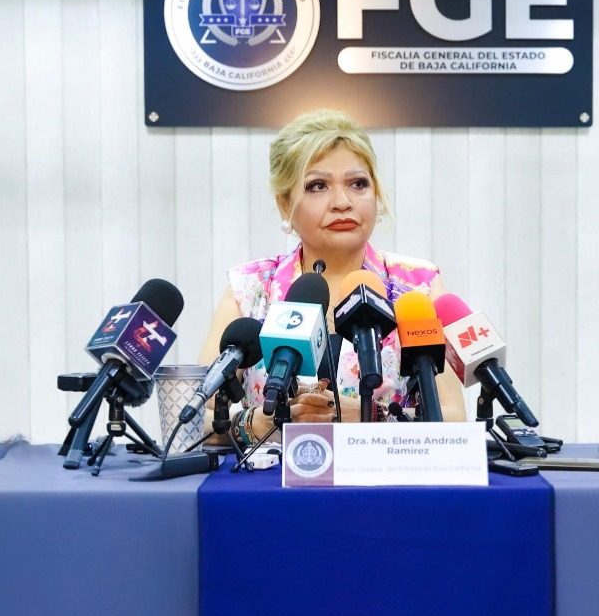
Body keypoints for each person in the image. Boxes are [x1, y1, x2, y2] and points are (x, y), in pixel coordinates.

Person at [198, 109, 466, 445]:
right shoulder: (251, 288)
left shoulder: (416, 286)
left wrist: (372, 417)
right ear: (285, 204)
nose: (342, 202)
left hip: (387, 475)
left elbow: (454, 418)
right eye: (317, 186)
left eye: (358, 183)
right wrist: (258, 424)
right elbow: (192, 418)